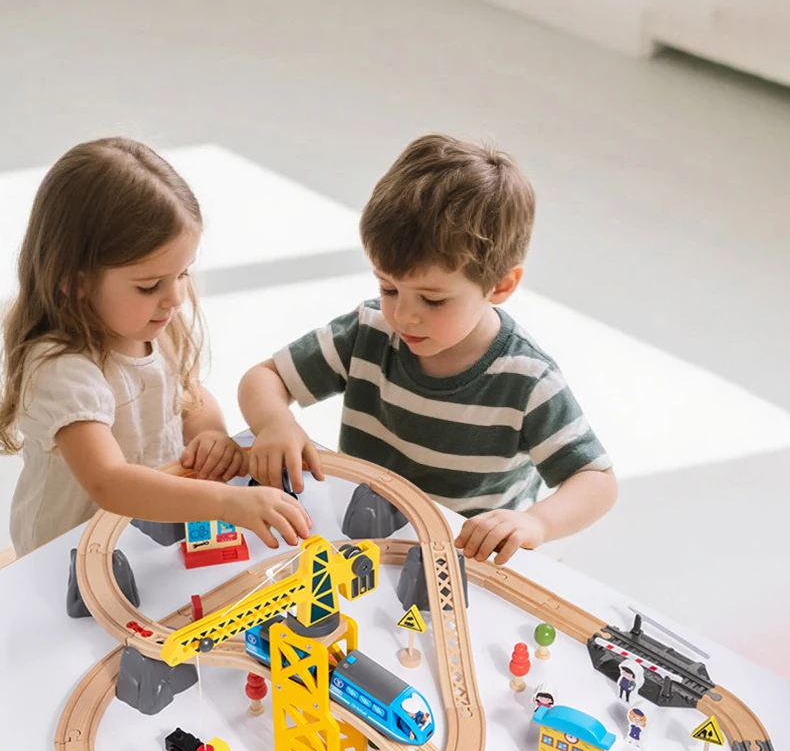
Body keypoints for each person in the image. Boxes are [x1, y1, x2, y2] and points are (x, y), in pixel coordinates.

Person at [239, 134, 616, 566]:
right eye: (388, 288)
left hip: (460, 560)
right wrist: (275, 422)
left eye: (433, 300)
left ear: (500, 286)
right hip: (364, 541)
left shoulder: (527, 379)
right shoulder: (370, 331)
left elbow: (596, 480)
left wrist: (536, 523)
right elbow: (264, 377)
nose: (403, 315)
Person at [0, 138, 310, 557]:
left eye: (183, 274)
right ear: (74, 281)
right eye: (150, 285)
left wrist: (210, 433)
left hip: (148, 528)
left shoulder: (150, 322)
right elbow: (108, 482)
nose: (175, 297)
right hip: (69, 551)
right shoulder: (62, 370)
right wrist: (226, 501)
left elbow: (187, 392)